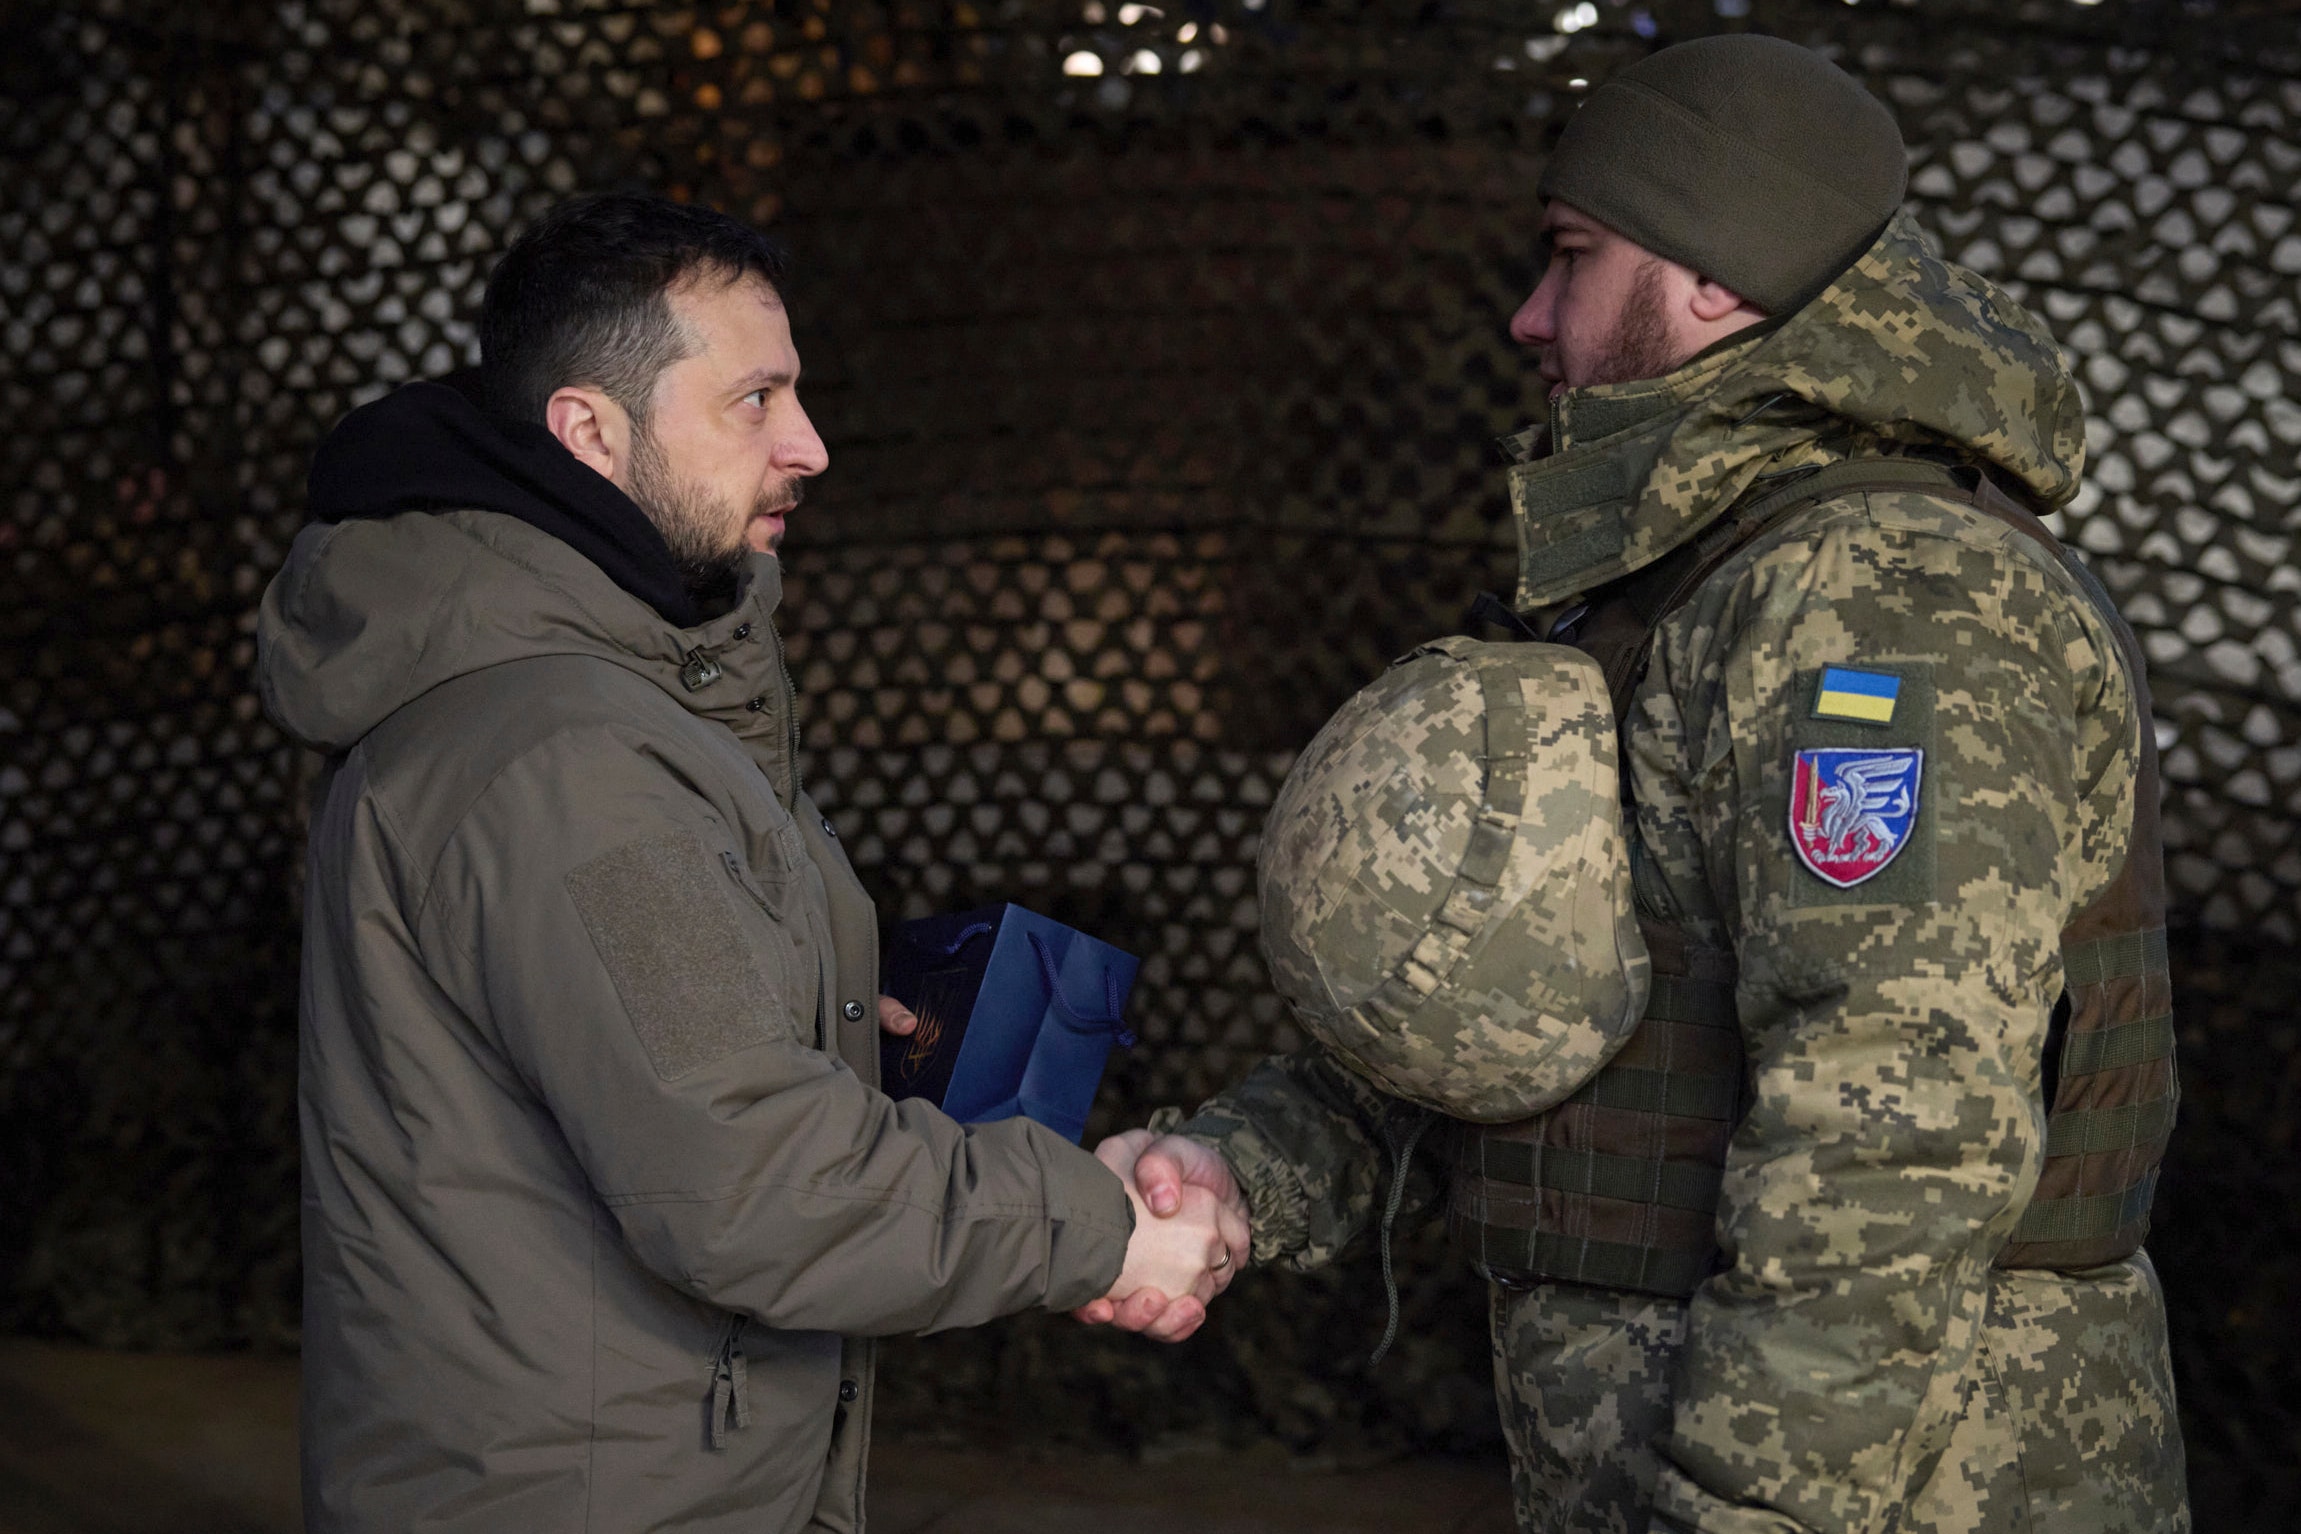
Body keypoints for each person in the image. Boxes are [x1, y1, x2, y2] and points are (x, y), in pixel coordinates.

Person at [1087, 34, 2187, 1534]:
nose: (1531, 318)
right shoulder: (1693, 569)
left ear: (1711, 275)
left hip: (1906, 1490)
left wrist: (1742, 1509)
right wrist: (1234, 1175)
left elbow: (1896, 1130)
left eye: (1571, 257)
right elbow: (1530, 1004)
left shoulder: (1882, 596)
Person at [259, 193, 1240, 1534]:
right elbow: (755, 1189)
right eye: (755, 399)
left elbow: (631, 1058)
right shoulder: (566, 758)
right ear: (589, 432)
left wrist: (808, 1009)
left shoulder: (599, 704)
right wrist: (1102, 1223)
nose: (810, 445)